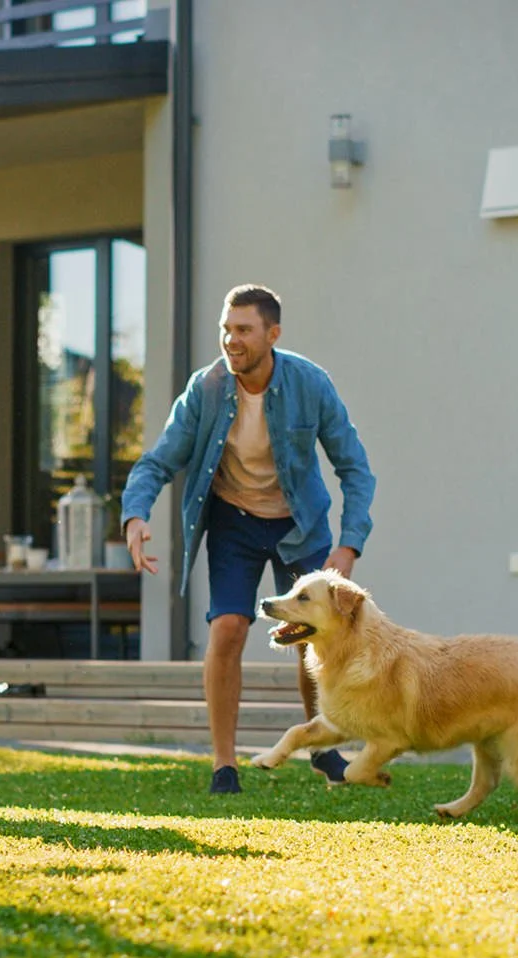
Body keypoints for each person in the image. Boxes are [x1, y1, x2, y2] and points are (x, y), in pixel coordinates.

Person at [120, 284, 375, 793]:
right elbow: (158, 460)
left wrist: (348, 545)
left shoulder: (310, 384)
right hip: (234, 520)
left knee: (315, 637)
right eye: (225, 329)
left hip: (299, 523)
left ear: (272, 334)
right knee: (228, 629)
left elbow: (355, 469)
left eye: (243, 330)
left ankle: (322, 748)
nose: (231, 340)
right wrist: (135, 514)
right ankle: (223, 764)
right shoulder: (206, 389)